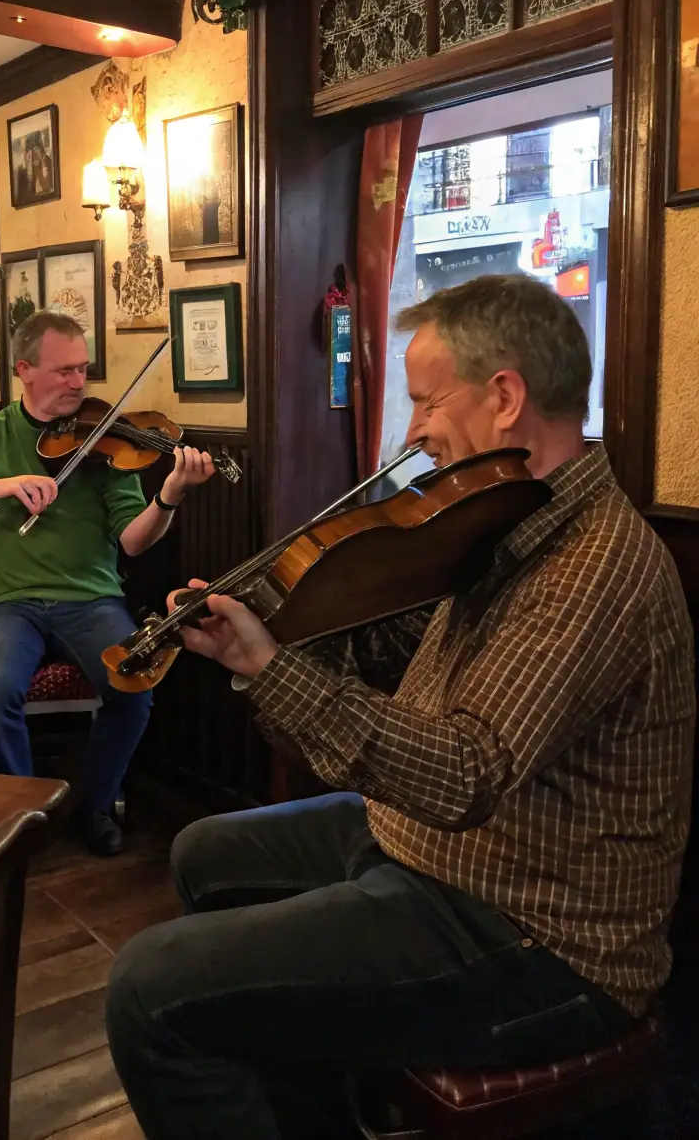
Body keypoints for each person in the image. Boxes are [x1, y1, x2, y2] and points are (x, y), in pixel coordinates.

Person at [104, 273, 696, 1140]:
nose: (413, 433)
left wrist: (272, 668)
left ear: (504, 396)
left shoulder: (594, 568)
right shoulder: (508, 522)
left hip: (544, 936)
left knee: (149, 987)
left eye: (424, 402)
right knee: (206, 853)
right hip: (442, 853)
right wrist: (277, 625)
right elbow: (397, 652)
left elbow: (462, 772)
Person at [0, 310, 217, 854]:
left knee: (133, 689)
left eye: (83, 370)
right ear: (25, 370)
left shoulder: (108, 442)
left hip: (92, 599)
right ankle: (23, 816)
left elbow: (133, 541)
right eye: (64, 371)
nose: (78, 383)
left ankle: (95, 803)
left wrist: (169, 498)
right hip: (12, 604)